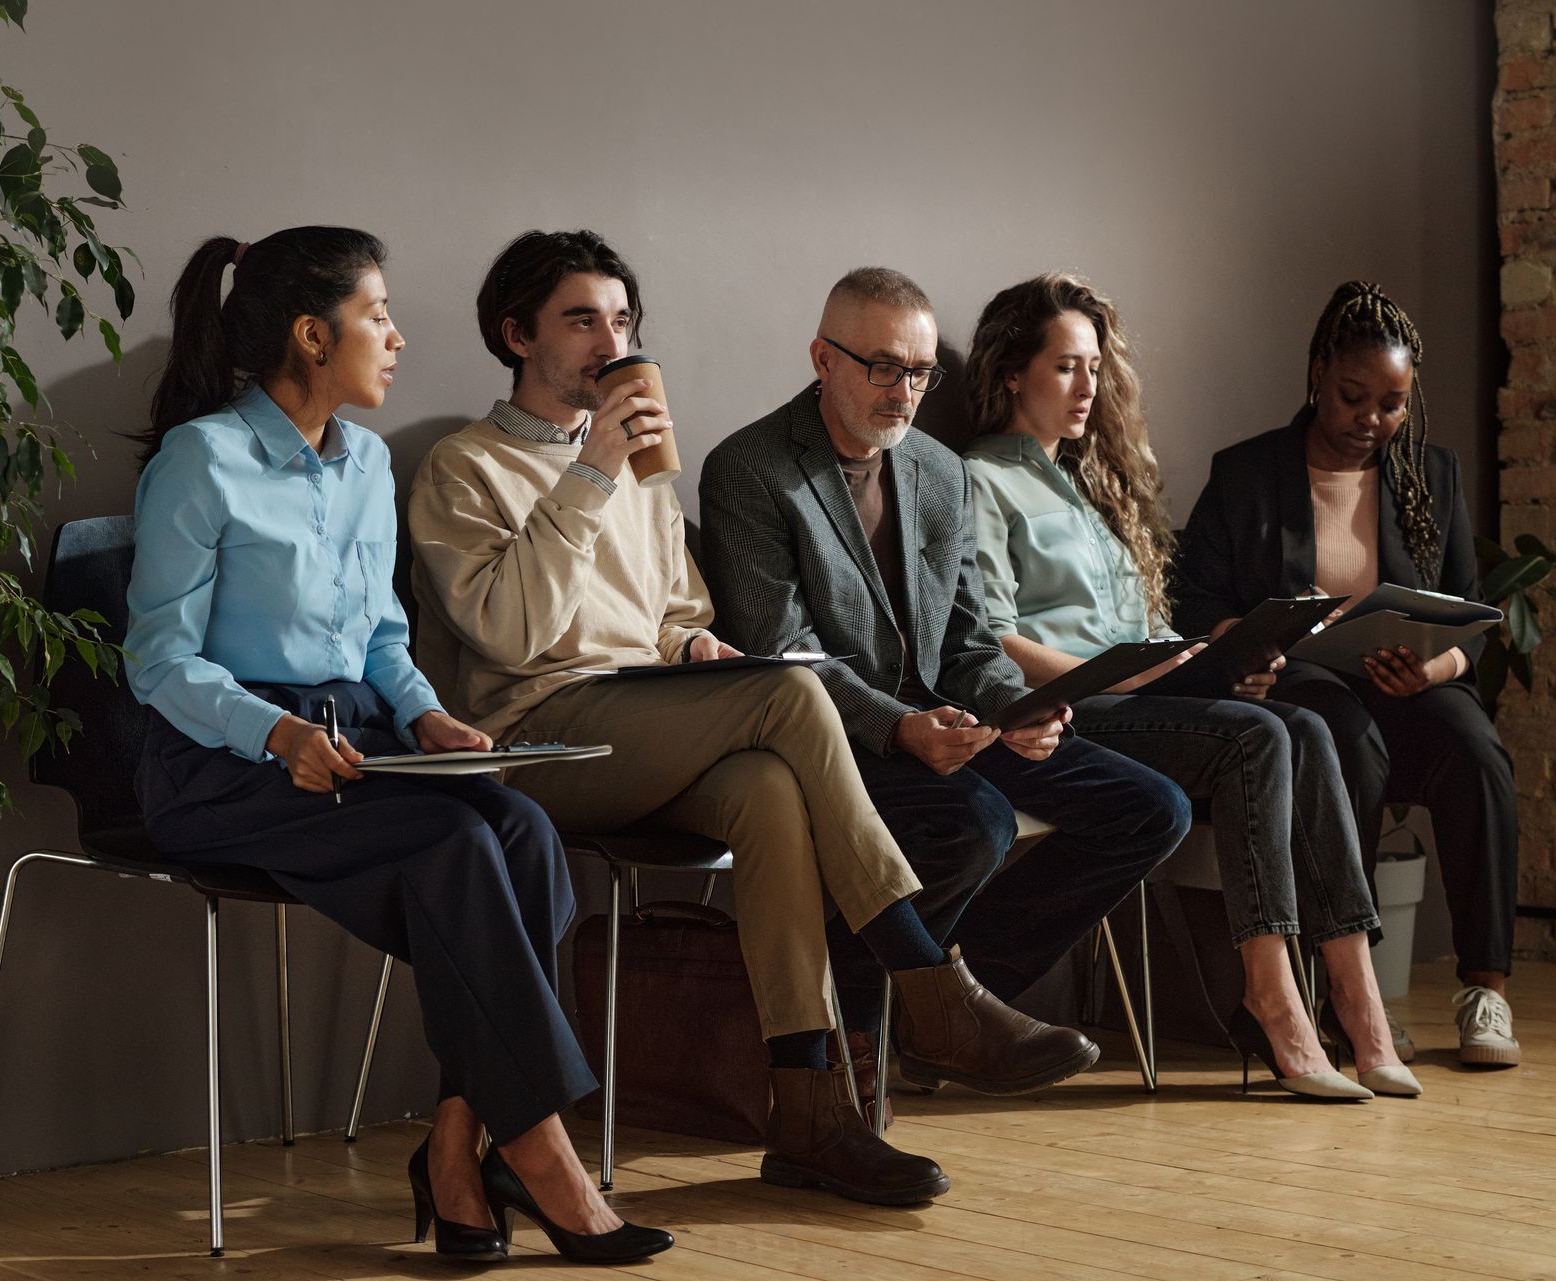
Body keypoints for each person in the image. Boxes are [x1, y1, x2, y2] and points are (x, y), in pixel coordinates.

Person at [409, 230, 1097, 1207]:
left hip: (644, 723)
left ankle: (812, 1114)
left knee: (769, 788)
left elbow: (676, 608)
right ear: (516, 334)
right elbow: (511, 633)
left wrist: (695, 646)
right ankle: (927, 978)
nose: (610, 339)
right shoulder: (463, 467)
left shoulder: (640, 464)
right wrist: (595, 468)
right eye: (581, 319)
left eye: (621, 319)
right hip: (534, 738)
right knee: (793, 691)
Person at [124, 226, 672, 1265]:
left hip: (358, 743)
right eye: (378, 315)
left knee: (520, 832)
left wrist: (426, 716)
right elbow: (157, 662)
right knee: (452, 850)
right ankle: (542, 1155)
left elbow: (379, 633)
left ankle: (459, 1147)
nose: (399, 337)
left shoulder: (367, 462)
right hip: (218, 762)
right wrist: (275, 730)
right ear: (311, 336)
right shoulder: (204, 460)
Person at [699, 267, 1192, 1109]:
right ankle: (896, 1016)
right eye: (883, 367)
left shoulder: (936, 469)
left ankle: (944, 1004)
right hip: (834, 737)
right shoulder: (750, 468)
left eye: (922, 373)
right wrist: (903, 729)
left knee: (1153, 808)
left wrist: (1020, 710)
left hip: (951, 723)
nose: (907, 391)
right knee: (976, 821)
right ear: (823, 357)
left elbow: (967, 636)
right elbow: (788, 652)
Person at [962, 273, 1417, 1099]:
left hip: (1140, 695)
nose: (1088, 385)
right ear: (1010, 374)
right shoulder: (980, 477)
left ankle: (1359, 1001)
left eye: (1095, 366)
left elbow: (1144, 625)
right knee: (1260, 735)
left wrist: (1215, 654)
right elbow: (993, 636)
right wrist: (1123, 671)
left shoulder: (1093, 488)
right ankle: (1273, 996)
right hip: (1073, 708)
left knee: (1303, 725)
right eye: (1066, 366)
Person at [1173, 279, 1521, 1069]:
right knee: (1347, 740)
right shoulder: (1247, 474)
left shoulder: (1431, 475)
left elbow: (1473, 614)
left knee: (1479, 756)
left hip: (1412, 682)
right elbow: (1196, 603)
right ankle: (1351, 984)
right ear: (1317, 374)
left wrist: (1440, 664)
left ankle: (1486, 986)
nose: (1372, 420)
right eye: (1353, 396)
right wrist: (1244, 643)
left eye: (1393, 403)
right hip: (1305, 684)